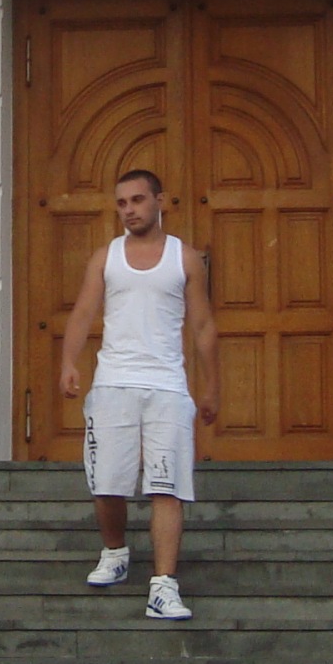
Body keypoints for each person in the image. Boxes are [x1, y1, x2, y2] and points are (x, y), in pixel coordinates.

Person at [55, 168, 219, 620]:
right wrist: (69, 362)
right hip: (113, 384)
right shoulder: (106, 257)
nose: (129, 210)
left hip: (167, 386)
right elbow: (83, 312)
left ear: (159, 201)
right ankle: (115, 552)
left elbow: (203, 325)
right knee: (107, 482)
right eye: (122, 203)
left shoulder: (185, 258)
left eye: (137, 200)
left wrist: (211, 387)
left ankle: (163, 587)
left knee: (167, 485)